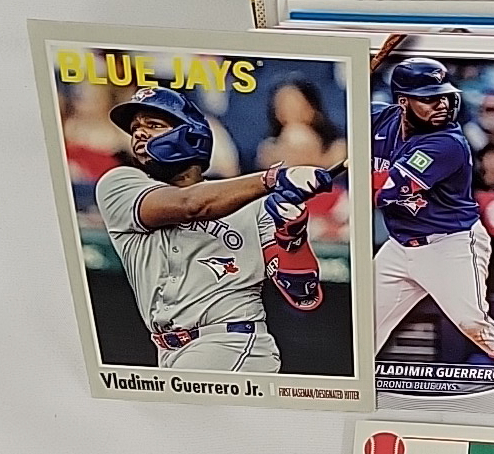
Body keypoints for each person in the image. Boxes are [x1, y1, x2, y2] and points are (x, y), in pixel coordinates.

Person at [94, 86, 335, 373]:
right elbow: (190, 204)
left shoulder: (254, 205)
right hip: (169, 352)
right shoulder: (119, 185)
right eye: (135, 129)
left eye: (154, 125)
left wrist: (291, 237)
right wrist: (274, 178)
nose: (140, 134)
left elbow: (303, 296)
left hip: (233, 343)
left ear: (192, 135)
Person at [372, 58, 494, 366]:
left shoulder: (447, 143)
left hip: (450, 245)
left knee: (473, 323)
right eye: (429, 99)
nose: (442, 105)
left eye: (444, 96)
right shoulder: (382, 119)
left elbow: (385, 193)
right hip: (399, 246)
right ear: (403, 102)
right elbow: (350, 116)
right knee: (361, 328)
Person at [256, 79, 347, 174]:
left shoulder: (338, 150)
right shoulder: (269, 152)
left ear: (312, 107)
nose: (291, 112)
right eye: (284, 106)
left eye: (296, 104)